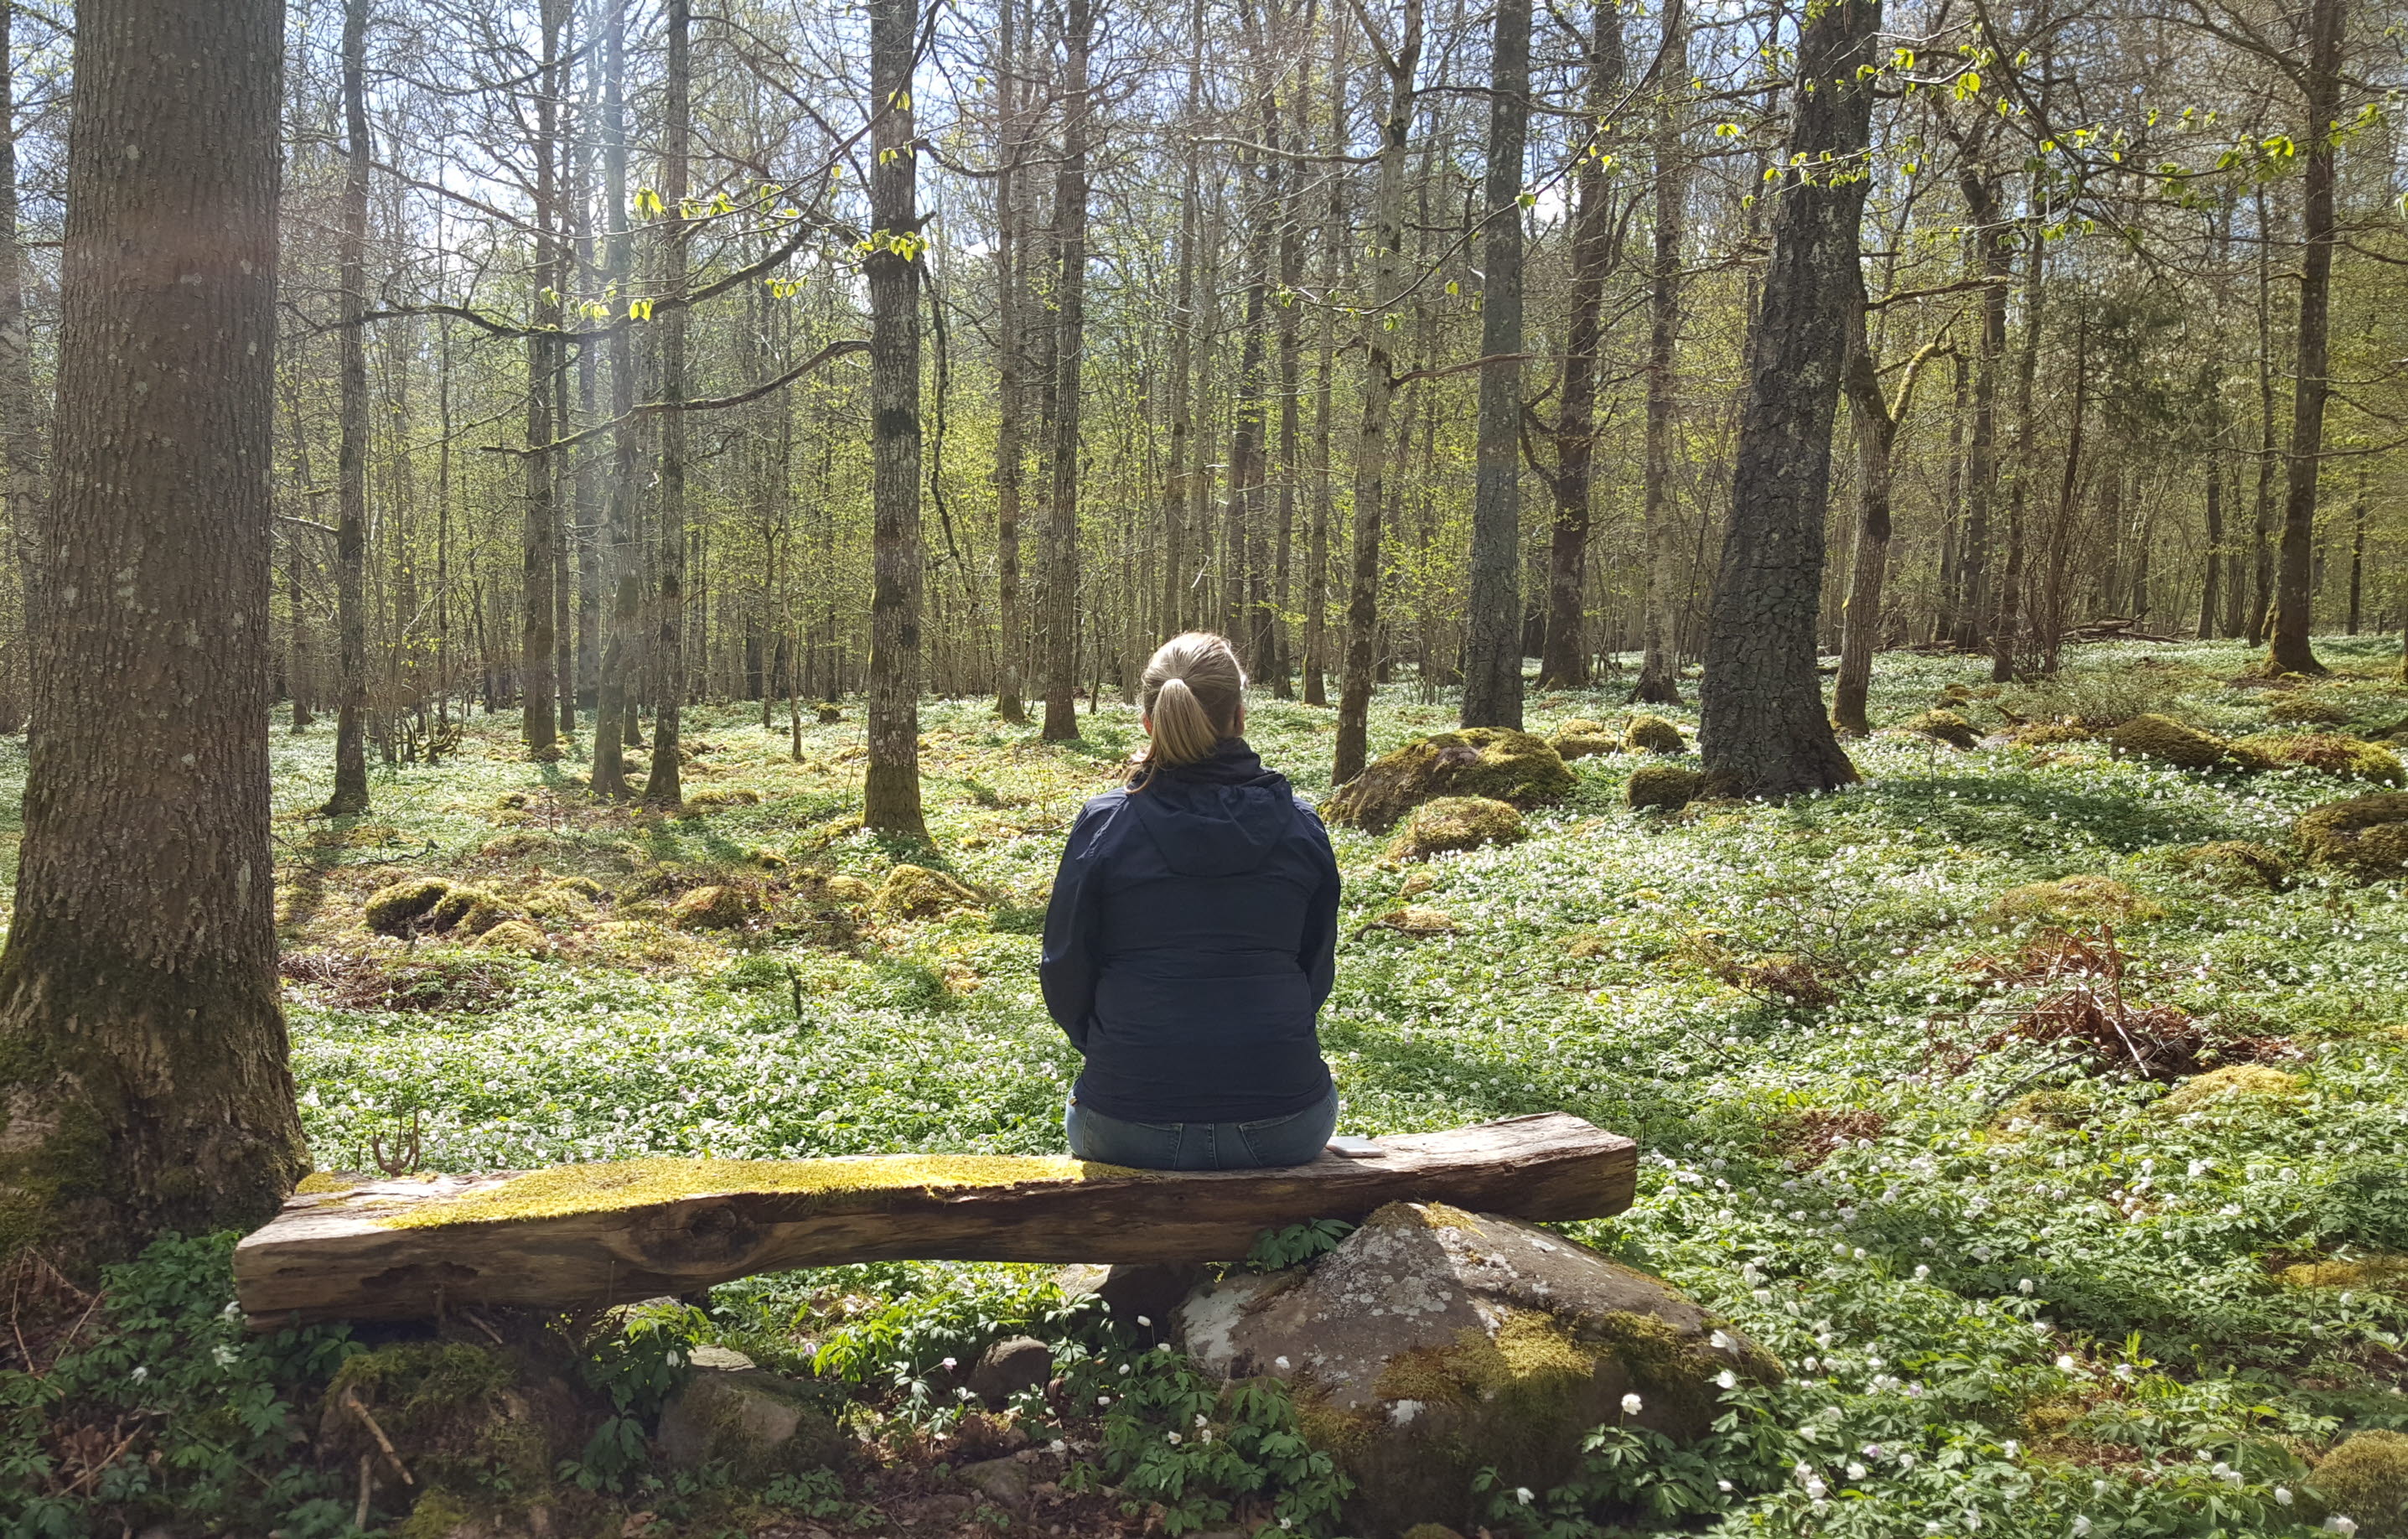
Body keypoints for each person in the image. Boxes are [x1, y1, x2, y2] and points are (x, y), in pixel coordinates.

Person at [1039, 632, 1342, 1169]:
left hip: (1124, 1122)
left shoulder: (1107, 824)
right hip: (1286, 1122)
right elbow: (1314, 968)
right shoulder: (1299, 825)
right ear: (1240, 716)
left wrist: (1125, 1050)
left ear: (1149, 721)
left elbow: (1065, 968)